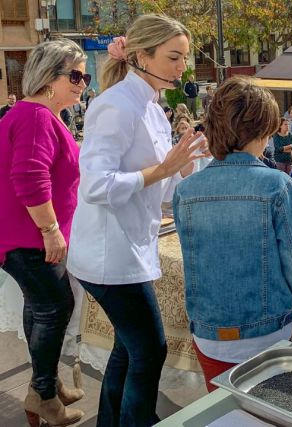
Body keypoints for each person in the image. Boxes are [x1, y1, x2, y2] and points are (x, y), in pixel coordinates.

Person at [67, 15, 203, 426]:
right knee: (149, 350)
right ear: (142, 55)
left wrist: (187, 168)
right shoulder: (114, 105)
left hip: (129, 248)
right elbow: (95, 185)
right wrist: (164, 171)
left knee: (129, 348)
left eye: (184, 58)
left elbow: (161, 191)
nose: (182, 67)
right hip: (110, 254)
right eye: (173, 57)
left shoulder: (154, 108)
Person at [173, 76, 292, 391]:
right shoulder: (276, 185)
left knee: (225, 412)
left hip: (209, 333)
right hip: (267, 334)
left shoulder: (186, 190)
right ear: (261, 131)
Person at [0, 39, 87, 427]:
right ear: (49, 78)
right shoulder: (35, 116)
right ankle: (45, 395)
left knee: (42, 308)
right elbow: (30, 177)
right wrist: (51, 230)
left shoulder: (37, 115)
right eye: (75, 75)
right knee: (56, 307)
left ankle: (43, 387)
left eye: (84, 75)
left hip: (24, 237)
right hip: (29, 239)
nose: (82, 83)